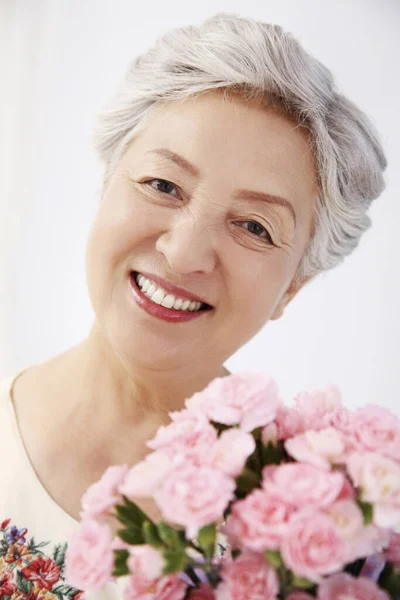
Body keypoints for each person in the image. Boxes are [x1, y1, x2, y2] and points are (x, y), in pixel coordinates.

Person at [0, 11, 387, 599]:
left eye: (254, 227)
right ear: (106, 184)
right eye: (162, 185)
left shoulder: (314, 544)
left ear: (292, 287)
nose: (183, 255)